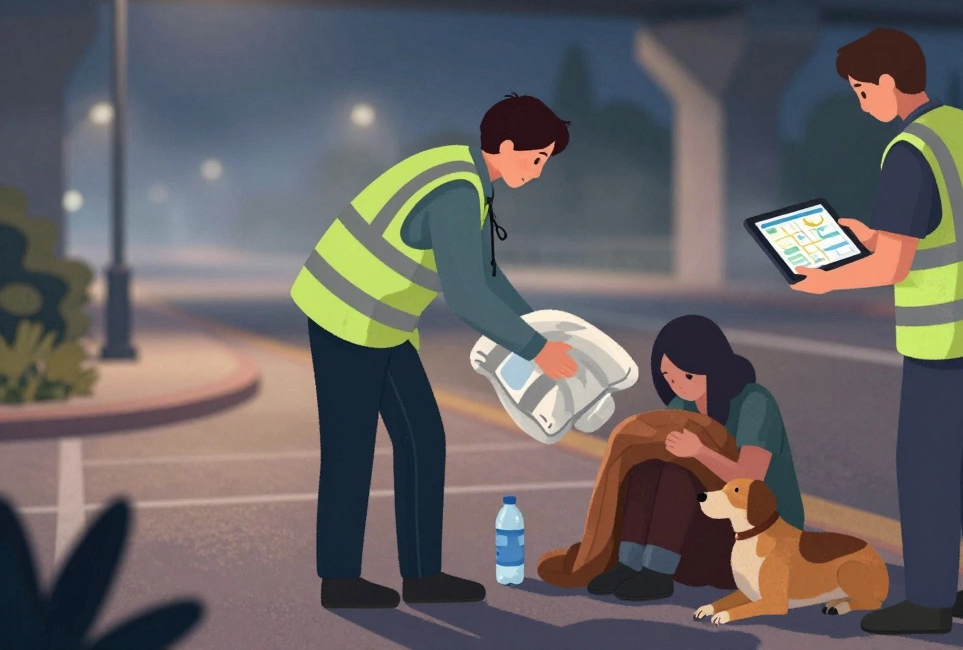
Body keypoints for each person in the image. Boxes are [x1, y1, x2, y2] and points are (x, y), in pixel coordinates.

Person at [290, 93, 581, 609]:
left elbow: (486, 274)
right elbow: (467, 295)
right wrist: (535, 349)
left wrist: (535, 324)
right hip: (345, 314)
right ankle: (339, 581)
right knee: (349, 450)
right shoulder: (457, 192)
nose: (538, 172)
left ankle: (423, 577)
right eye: (536, 159)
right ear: (508, 147)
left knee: (424, 439)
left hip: (383, 323)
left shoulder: (466, 175)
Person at [791, 28, 963, 635]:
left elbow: (895, 267)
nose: (860, 101)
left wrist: (830, 278)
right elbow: (953, 223)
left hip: (947, 331)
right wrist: (872, 232)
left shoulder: (907, 151)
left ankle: (928, 602)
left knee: (927, 466)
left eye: (861, 90)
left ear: (889, 84)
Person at [586, 314, 804, 602]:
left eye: (686, 375)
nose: (678, 385)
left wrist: (699, 451)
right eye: (668, 377)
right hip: (713, 526)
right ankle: (630, 562)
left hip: (763, 538)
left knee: (677, 476)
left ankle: (657, 572)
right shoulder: (683, 405)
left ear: (711, 366)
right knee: (649, 471)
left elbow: (750, 480)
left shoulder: (755, 403)